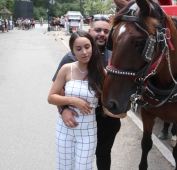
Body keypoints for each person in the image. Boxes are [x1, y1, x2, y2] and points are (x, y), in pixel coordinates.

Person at [48, 30, 126, 170]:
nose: (84, 52)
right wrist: (73, 101)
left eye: (87, 47)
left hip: (88, 132)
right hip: (65, 129)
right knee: (64, 167)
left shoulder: (102, 73)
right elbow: (51, 97)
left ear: (92, 47)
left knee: (83, 167)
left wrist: (121, 112)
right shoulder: (67, 69)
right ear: (73, 51)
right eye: (78, 49)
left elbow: (105, 105)